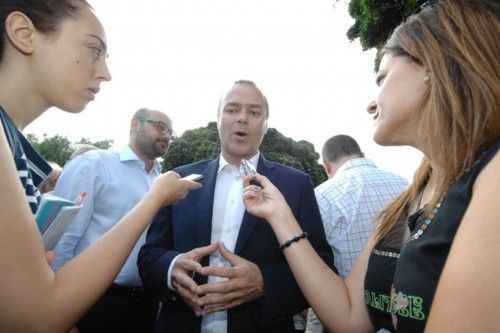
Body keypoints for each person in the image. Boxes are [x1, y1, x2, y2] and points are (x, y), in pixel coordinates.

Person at [239, 1, 500, 332]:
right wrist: (279, 215)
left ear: (433, 64)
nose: (371, 103)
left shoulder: (493, 176)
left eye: (383, 76)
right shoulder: (409, 199)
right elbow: (349, 316)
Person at [0, 1, 200, 332]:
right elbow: (34, 315)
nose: (105, 72)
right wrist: (155, 198)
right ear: (23, 33)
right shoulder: (95, 164)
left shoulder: (14, 148)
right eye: (94, 49)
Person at [138, 79, 335, 333]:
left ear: (266, 124)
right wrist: (171, 267)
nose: (242, 118)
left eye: (254, 112)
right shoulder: (179, 180)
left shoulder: (295, 184)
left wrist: (265, 282)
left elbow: (322, 268)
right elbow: (149, 256)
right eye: (232, 110)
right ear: (218, 118)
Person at [51, 108, 175, 333]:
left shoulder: (163, 180)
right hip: (93, 300)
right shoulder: (94, 164)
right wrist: (60, 315)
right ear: (135, 124)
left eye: (170, 132)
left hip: (145, 306)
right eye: (160, 126)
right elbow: (62, 238)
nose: (167, 135)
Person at [306, 134, 407, 332]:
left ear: (326, 166)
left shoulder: (321, 196)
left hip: (348, 317)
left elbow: (315, 267)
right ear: (362, 154)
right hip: (406, 312)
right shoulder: (406, 185)